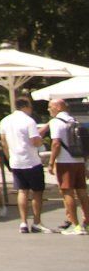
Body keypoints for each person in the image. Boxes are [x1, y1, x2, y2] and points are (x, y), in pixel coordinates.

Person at [0, 96, 48, 234]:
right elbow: (35, 142)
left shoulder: (5, 121)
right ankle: (37, 222)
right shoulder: (29, 121)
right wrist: (42, 137)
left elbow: (3, 142)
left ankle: (23, 222)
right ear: (26, 106)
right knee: (37, 192)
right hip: (31, 161)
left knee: (22, 191)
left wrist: (9, 158)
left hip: (16, 161)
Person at [45, 97, 84, 235]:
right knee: (82, 192)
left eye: (50, 107)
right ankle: (87, 222)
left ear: (58, 107)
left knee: (67, 192)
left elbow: (56, 143)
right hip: (79, 160)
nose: (49, 109)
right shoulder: (74, 120)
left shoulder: (56, 122)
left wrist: (51, 162)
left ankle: (75, 225)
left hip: (65, 161)